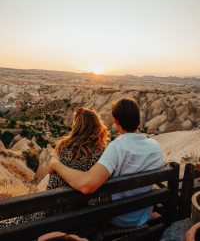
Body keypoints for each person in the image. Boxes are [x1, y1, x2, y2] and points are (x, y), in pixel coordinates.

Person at [48, 98, 163, 228]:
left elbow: (86, 186)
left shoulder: (116, 147)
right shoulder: (155, 147)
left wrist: (56, 164)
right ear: (138, 120)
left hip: (119, 218)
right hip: (144, 215)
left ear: (116, 121)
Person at [0, 107, 109, 238]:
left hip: (53, 219)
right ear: (97, 127)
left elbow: (52, 184)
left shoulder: (63, 148)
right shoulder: (102, 154)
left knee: (14, 223)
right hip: (84, 223)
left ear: (76, 126)